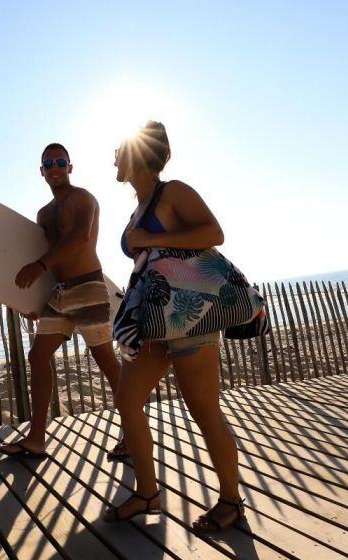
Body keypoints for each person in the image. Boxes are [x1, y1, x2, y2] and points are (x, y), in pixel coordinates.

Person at [102, 121, 244, 531]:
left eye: (120, 149)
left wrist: (145, 239)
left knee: (202, 410)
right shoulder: (138, 207)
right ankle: (147, 492)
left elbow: (214, 233)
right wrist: (143, 238)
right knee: (128, 401)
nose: (113, 155)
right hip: (151, 317)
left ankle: (232, 501)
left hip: (188, 315)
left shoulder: (173, 191)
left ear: (139, 157)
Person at [0, 143, 125, 459]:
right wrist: (31, 298)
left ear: (70, 166)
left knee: (107, 362)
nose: (54, 166)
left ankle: (134, 435)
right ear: (41, 171)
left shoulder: (82, 198)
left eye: (60, 161)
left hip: (88, 288)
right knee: (38, 357)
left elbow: (79, 239)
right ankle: (37, 438)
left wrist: (39, 267)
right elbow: (40, 255)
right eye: (48, 163)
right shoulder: (43, 213)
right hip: (59, 294)